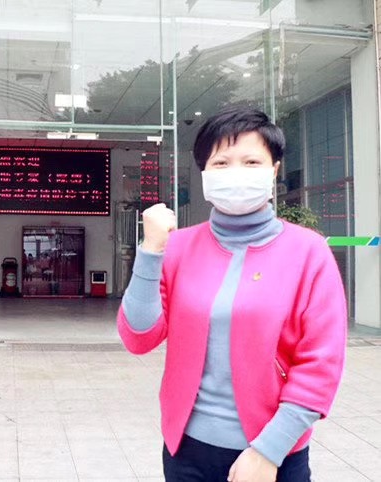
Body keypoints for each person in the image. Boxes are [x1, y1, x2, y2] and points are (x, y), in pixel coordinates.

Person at [117, 106, 346, 482]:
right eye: (221, 163)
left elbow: (321, 364)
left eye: (251, 161)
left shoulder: (308, 252)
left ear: (274, 171)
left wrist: (269, 450)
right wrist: (151, 251)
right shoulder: (179, 247)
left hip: (274, 455)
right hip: (186, 452)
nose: (236, 172)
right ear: (205, 174)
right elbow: (138, 337)